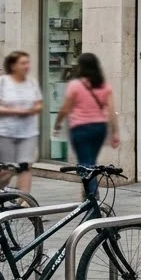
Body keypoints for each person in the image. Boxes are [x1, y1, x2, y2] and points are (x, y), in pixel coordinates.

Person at [53, 53, 119, 197]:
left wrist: (57, 124)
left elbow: (65, 108)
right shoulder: (104, 87)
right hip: (99, 128)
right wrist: (115, 133)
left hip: (80, 128)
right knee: (91, 161)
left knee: (85, 163)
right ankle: (88, 192)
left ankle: (92, 195)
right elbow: (111, 111)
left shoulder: (75, 86)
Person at [0, 51, 41, 192]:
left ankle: (25, 202)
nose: (27, 66)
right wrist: (12, 111)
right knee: (7, 169)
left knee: (25, 166)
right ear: (13, 65)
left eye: (28, 63)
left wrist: (32, 110)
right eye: (23, 63)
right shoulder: (0, 83)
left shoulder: (31, 83)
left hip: (28, 132)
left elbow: (38, 104)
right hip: (2, 132)